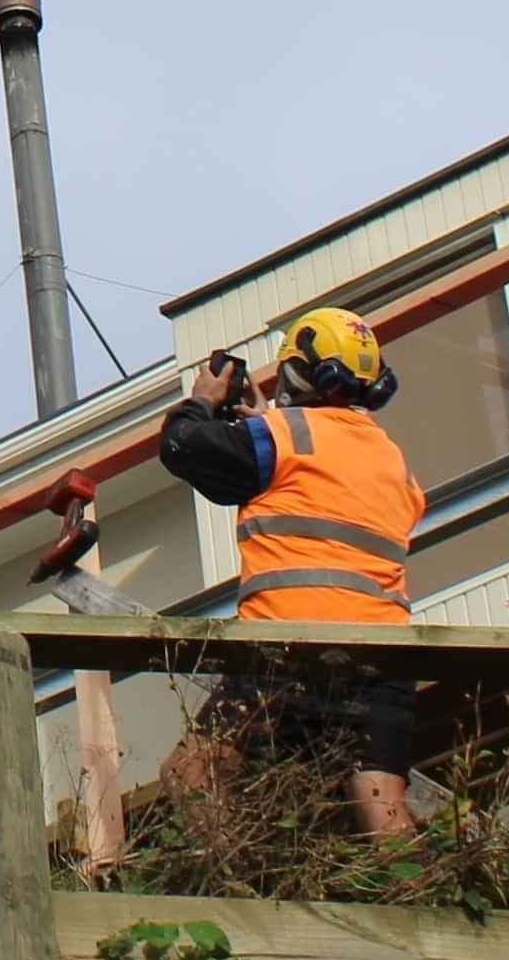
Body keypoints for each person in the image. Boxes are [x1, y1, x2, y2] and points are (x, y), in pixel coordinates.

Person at [157, 306, 426, 838]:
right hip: (383, 659)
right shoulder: (390, 457)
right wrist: (268, 428)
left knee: (190, 774)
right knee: (382, 810)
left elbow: (182, 446)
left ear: (298, 373)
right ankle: (423, 890)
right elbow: (323, 483)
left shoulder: (283, 434)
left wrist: (202, 402)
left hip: (287, 652)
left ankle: (232, 883)